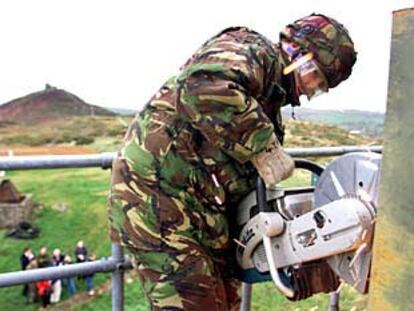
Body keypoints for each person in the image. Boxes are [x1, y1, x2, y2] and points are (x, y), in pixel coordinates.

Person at [109, 13, 356, 310]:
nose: (308, 90)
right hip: (156, 202)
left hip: (204, 217)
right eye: (313, 75)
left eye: (319, 88)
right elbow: (203, 84)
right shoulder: (253, 50)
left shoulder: (270, 106)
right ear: (297, 52)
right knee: (196, 304)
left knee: (224, 302)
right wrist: (263, 147)